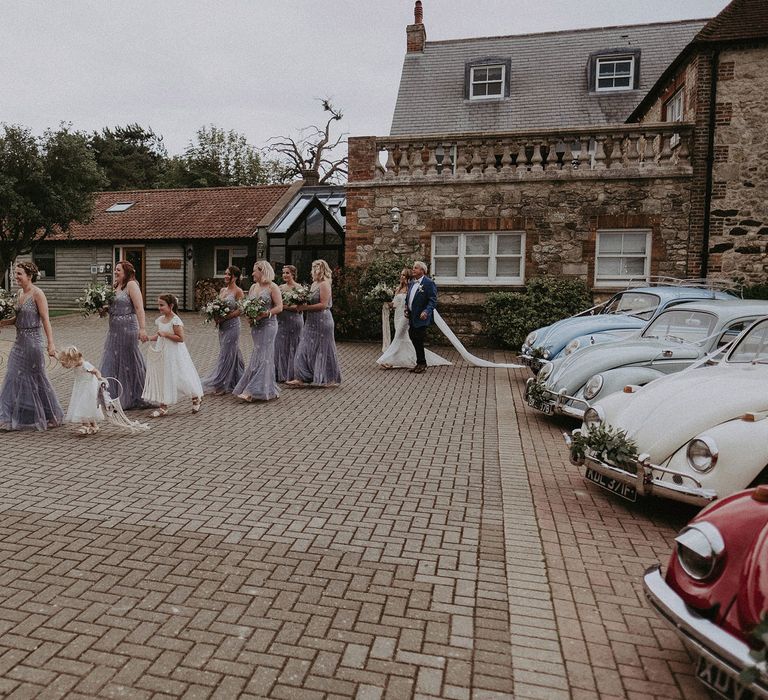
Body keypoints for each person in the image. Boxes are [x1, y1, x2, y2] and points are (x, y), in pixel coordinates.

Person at [0, 262, 63, 431]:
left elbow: (45, 320)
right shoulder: (19, 293)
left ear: (29, 276)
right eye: (15, 273)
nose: (15, 276)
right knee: (12, 375)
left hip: (33, 342)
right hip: (19, 341)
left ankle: (51, 415)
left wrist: (51, 344)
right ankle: (5, 417)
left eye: (19, 273)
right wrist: (3, 322)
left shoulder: (38, 294)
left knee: (37, 378)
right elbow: (16, 318)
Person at [100, 260, 151, 409]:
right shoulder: (115, 286)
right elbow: (113, 307)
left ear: (126, 272)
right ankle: (113, 395)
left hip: (128, 328)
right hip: (114, 330)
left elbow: (139, 308)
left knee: (129, 360)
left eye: (118, 270)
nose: (115, 272)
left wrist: (142, 329)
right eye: (115, 270)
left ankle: (136, 394)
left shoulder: (131, 285)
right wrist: (103, 309)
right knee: (113, 360)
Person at [377, 268, 451, 370]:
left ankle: (386, 360)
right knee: (406, 339)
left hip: (405, 317)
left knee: (398, 337)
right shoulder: (398, 289)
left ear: (407, 277)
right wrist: (384, 301)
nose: (401, 277)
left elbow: (424, 300)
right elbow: (395, 304)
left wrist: (424, 311)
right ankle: (413, 359)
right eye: (401, 275)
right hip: (397, 316)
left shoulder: (411, 287)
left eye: (404, 275)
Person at [142, 294, 203, 417]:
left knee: (182, 376)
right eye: (158, 305)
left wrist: (165, 334)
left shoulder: (175, 320)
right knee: (164, 376)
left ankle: (195, 397)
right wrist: (148, 338)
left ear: (171, 306)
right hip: (163, 352)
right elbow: (159, 335)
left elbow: (180, 338)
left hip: (174, 353)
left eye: (162, 305)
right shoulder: (160, 320)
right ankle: (163, 406)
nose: (159, 308)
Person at [233, 260, 283, 402]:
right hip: (256, 326)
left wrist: (265, 314)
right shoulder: (254, 287)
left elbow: (279, 307)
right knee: (259, 354)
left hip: (269, 325)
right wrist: (249, 316)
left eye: (255, 270)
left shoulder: (273, 287)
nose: (252, 273)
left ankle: (252, 391)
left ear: (262, 271)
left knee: (264, 356)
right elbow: (248, 305)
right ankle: (269, 388)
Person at [288, 259, 342, 387]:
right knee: (304, 346)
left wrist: (305, 308)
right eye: (313, 267)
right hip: (311, 321)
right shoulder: (313, 284)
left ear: (322, 269)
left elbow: (323, 304)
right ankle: (302, 376)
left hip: (323, 320)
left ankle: (327, 377)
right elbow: (310, 301)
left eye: (316, 268)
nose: (313, 270)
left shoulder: (324, 284)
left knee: (323, 349)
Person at [202, 265, 245, 395]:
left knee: (226, 353)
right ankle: (239, 379)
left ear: (235, 277)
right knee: (232, 352)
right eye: (225, 274)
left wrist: (226, 316)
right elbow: (217, 306)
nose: (226, 276)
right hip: (222, 327)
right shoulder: (222, 291)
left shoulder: (238, 291)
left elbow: (241, 310)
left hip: (233, 326)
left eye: (228, 274)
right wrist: (215, 316)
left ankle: (222, 384)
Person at [58, 346, 104, 434]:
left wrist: (99, 379)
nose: (68, 366)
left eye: (69, 363)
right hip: (80, 388)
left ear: (73, 359)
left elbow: (96, 371)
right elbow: (64, 361)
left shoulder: (85, 365)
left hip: (88, 388)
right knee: (84, 406)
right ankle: (94, 425)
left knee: (83, 405)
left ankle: (86, 425)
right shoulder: (76, 364)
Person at [406, 260, 438, 374]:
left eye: (416, 268)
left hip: (422, 316)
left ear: (422, 271)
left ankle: (422, 363)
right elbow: (409, 297)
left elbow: (433, 300)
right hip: (412, 316)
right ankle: (419, 362)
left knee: (418, 338)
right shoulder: (411, 283)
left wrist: (426, 311)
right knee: (413, 337)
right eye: (413, 267)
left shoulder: (428, 283)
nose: (413, 269)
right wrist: (406, 308)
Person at [274, 264, 304, 382]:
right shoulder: (280, 288)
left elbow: (299, 307)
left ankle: (293, 373)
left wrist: (283, 306)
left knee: (294, 346)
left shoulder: (299, 288)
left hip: (294, 321)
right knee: (280, 345)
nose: (285, 275)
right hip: (281, 321)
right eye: (283, 273)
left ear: (293, 274)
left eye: (287, 273)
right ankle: (280, 372)